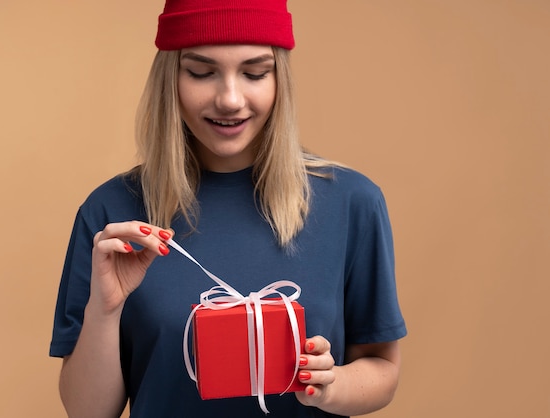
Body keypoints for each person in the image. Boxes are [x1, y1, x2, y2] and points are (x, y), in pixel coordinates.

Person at [49, 0, 407, 417]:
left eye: (255, 73)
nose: (230, 99)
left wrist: (332, 384)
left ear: (280, 80)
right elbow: (87, 412)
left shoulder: (353, 203)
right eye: (202, 72)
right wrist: (105, 310)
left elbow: (383, 370)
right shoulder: (112, 214)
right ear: (171, 78)